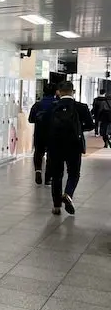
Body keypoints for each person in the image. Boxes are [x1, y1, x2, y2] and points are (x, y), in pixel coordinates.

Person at [48, 81, 94, 215]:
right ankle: (67, 194)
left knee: (56, 175)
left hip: (55, 146)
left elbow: (45, 127)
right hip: (74, 145)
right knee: (74, 173)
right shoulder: (81, 107)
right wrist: (78, 129)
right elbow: (91, 125)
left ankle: (56, 206)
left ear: (59, 92)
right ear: (73, 91)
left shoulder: (52, 107)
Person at [28, 83, 57, 185]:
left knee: (38, 153)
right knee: (51, 155)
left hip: (39, 133)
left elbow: (31, 120)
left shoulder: (37, 105)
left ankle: (38, 171)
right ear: (56, 92)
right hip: (53, 134)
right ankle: (48, 178)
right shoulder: (57, 105)